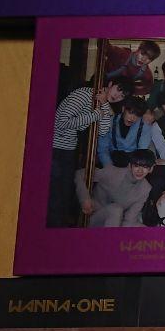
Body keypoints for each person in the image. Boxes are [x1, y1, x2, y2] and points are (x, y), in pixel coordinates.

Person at [49, 77, 129, 227]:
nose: (117, 96)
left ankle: (59, 227)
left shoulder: (103, 103)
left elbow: (103, 131)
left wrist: (104, 105)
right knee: (55, 193)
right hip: (55, 146)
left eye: (122, 95)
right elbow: (61, 122)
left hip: (69, 148)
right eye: (118, 89)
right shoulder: (85, 94)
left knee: (65, 192)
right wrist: (95, 115)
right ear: (110, 84)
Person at [74, 148, 154, 227]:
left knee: (145, 230)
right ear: (130, 166)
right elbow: (79, 174)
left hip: (115, 223)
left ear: (150, 169)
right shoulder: (113, 172)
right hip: (93, 217)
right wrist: (84, 199)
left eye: (145, 167)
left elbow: (130, 220)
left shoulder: (145, 189)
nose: (140, 170)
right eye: (136, 166)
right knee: (115, 209)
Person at [96, 96, 151, 168]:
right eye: (130, 113)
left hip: (133, 163)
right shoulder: (110, 121)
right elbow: (103, 149)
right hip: (112, 160)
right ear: (123, 109)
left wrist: (132, 168)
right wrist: (109, 167)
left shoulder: (144, 126)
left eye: (137, 115)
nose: (133, 118)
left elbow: (142, 152)